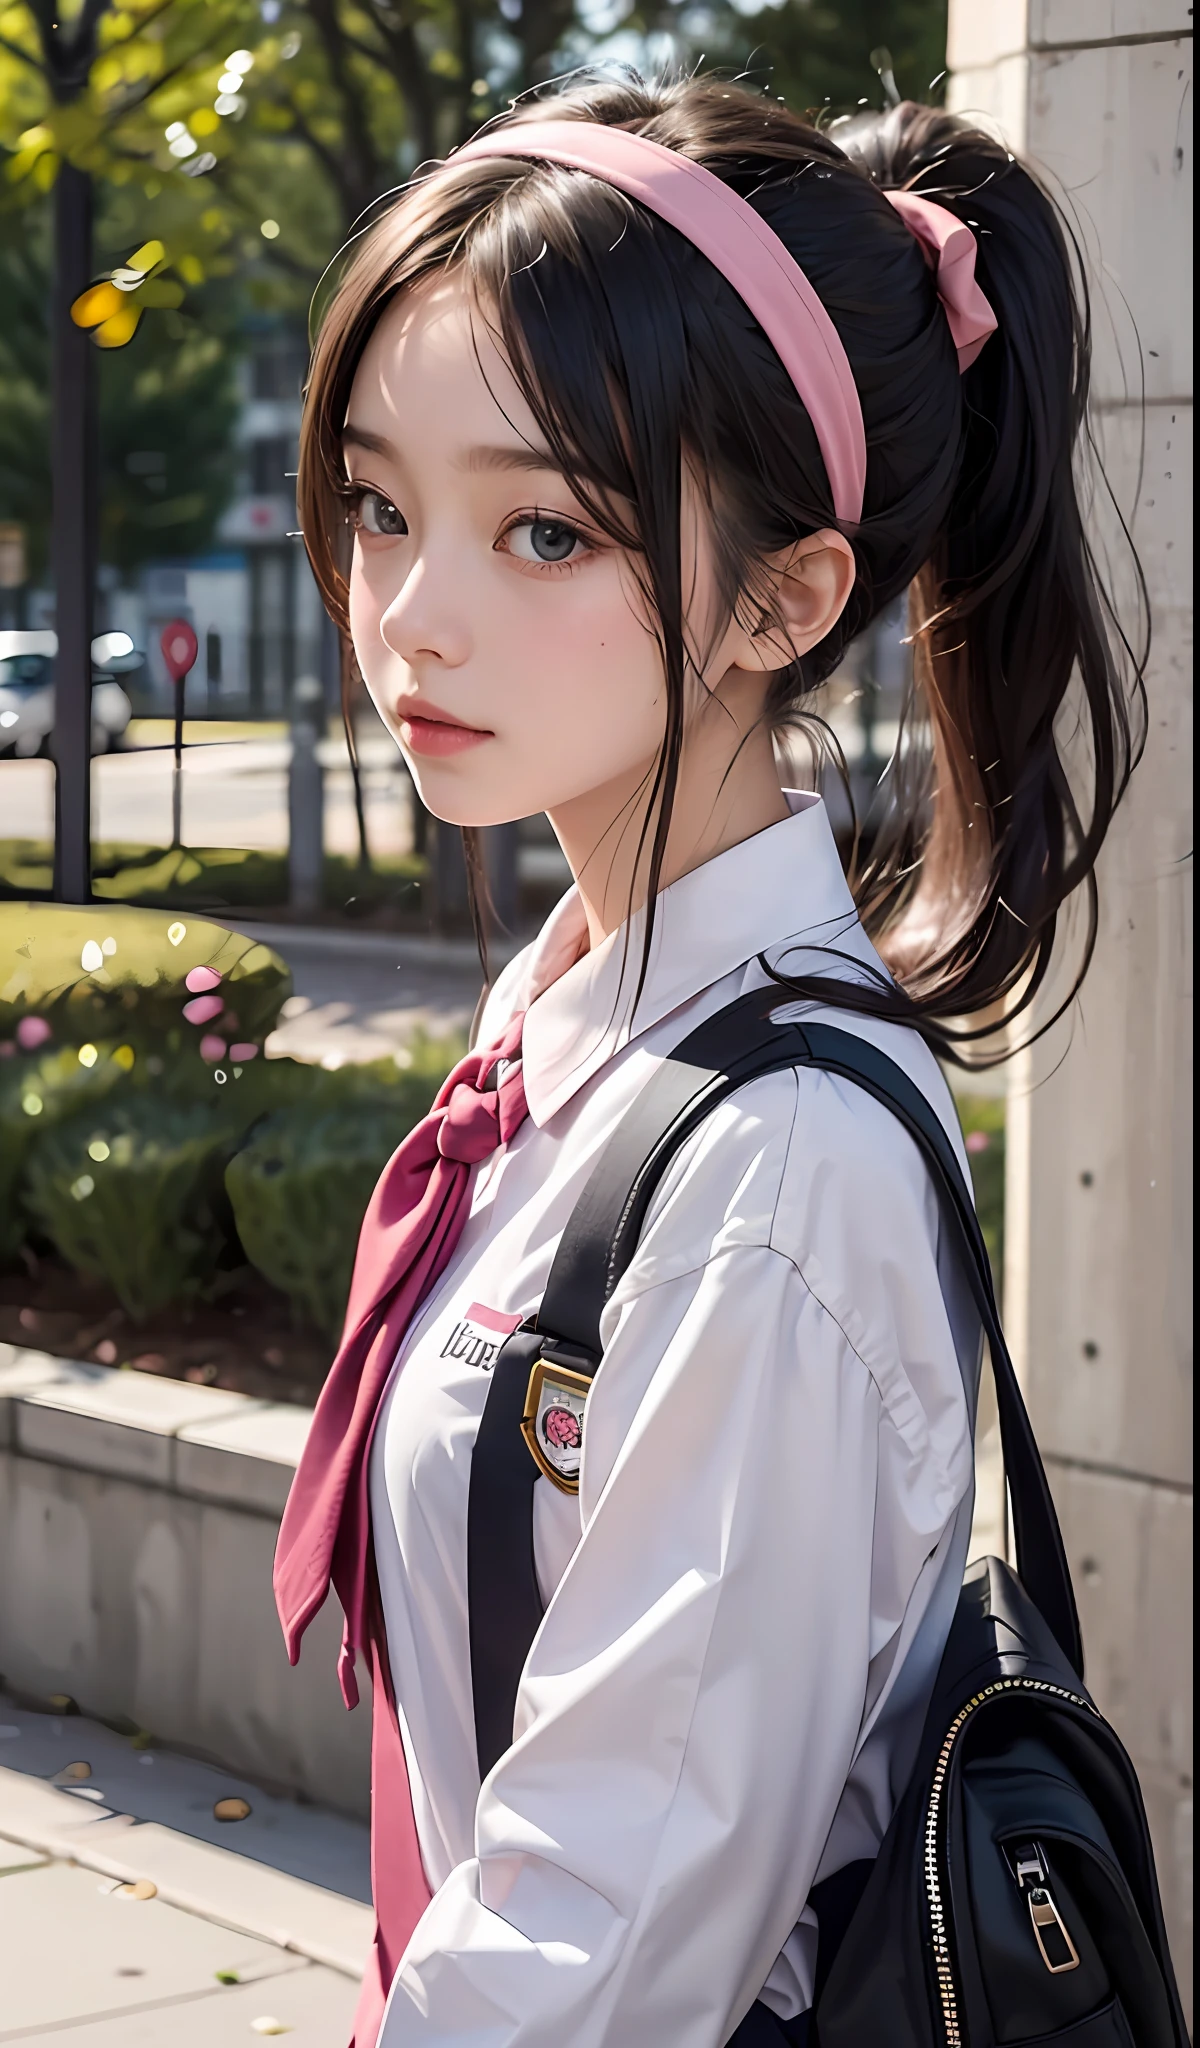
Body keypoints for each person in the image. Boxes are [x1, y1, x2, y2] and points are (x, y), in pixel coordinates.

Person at [273, 72, 1144, 2047]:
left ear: (787, 594)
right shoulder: (596, 1040)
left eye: (545, 530)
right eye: (384, 503)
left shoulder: (780, 1170)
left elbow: (607, 1936)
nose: (411, 609)